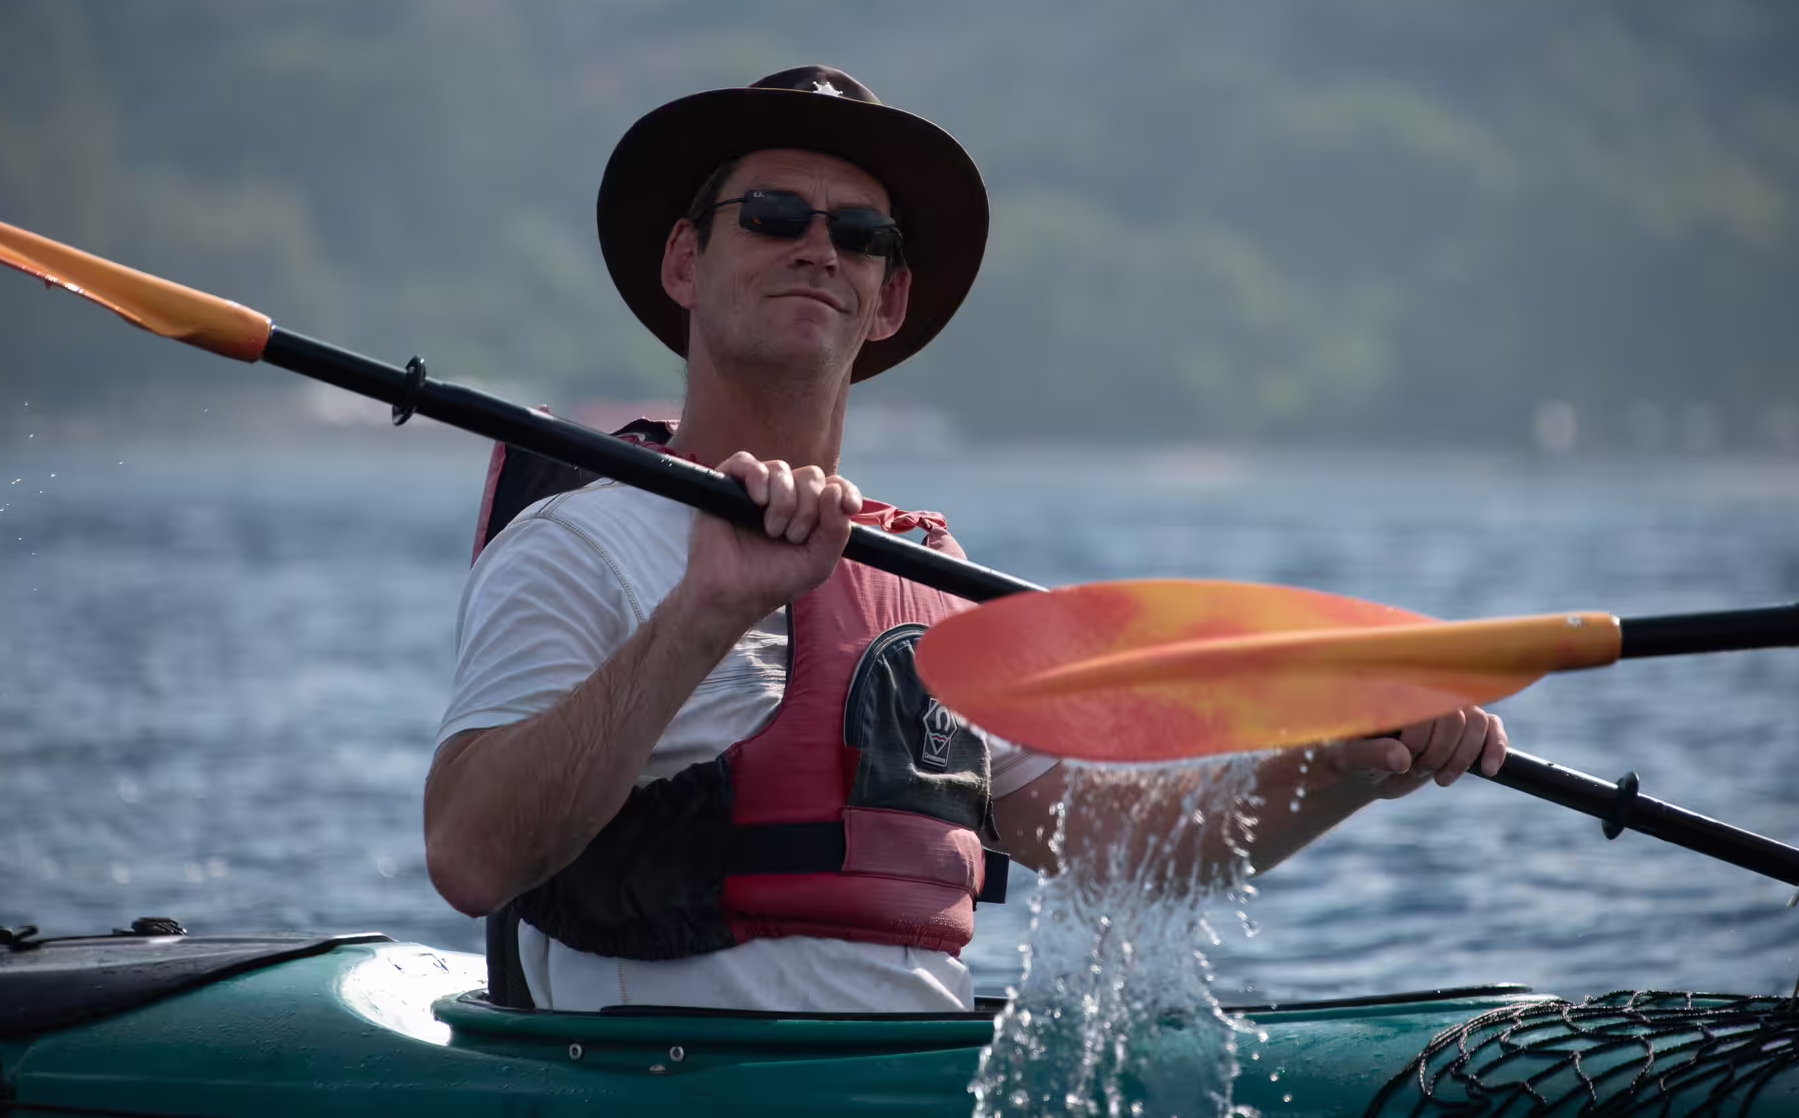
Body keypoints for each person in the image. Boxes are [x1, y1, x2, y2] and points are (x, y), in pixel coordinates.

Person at [422, 66, 1511, 1013]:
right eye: (771, 215)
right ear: (683, 263)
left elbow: (1123, 853)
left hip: (907, 1080)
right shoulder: (578, 541)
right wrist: (703, 614)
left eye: (859, 234)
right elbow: (472, 858)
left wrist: (1341, 766)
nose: (817, 248)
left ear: (888, 297)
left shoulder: (930, 587)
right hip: (659, 1083)